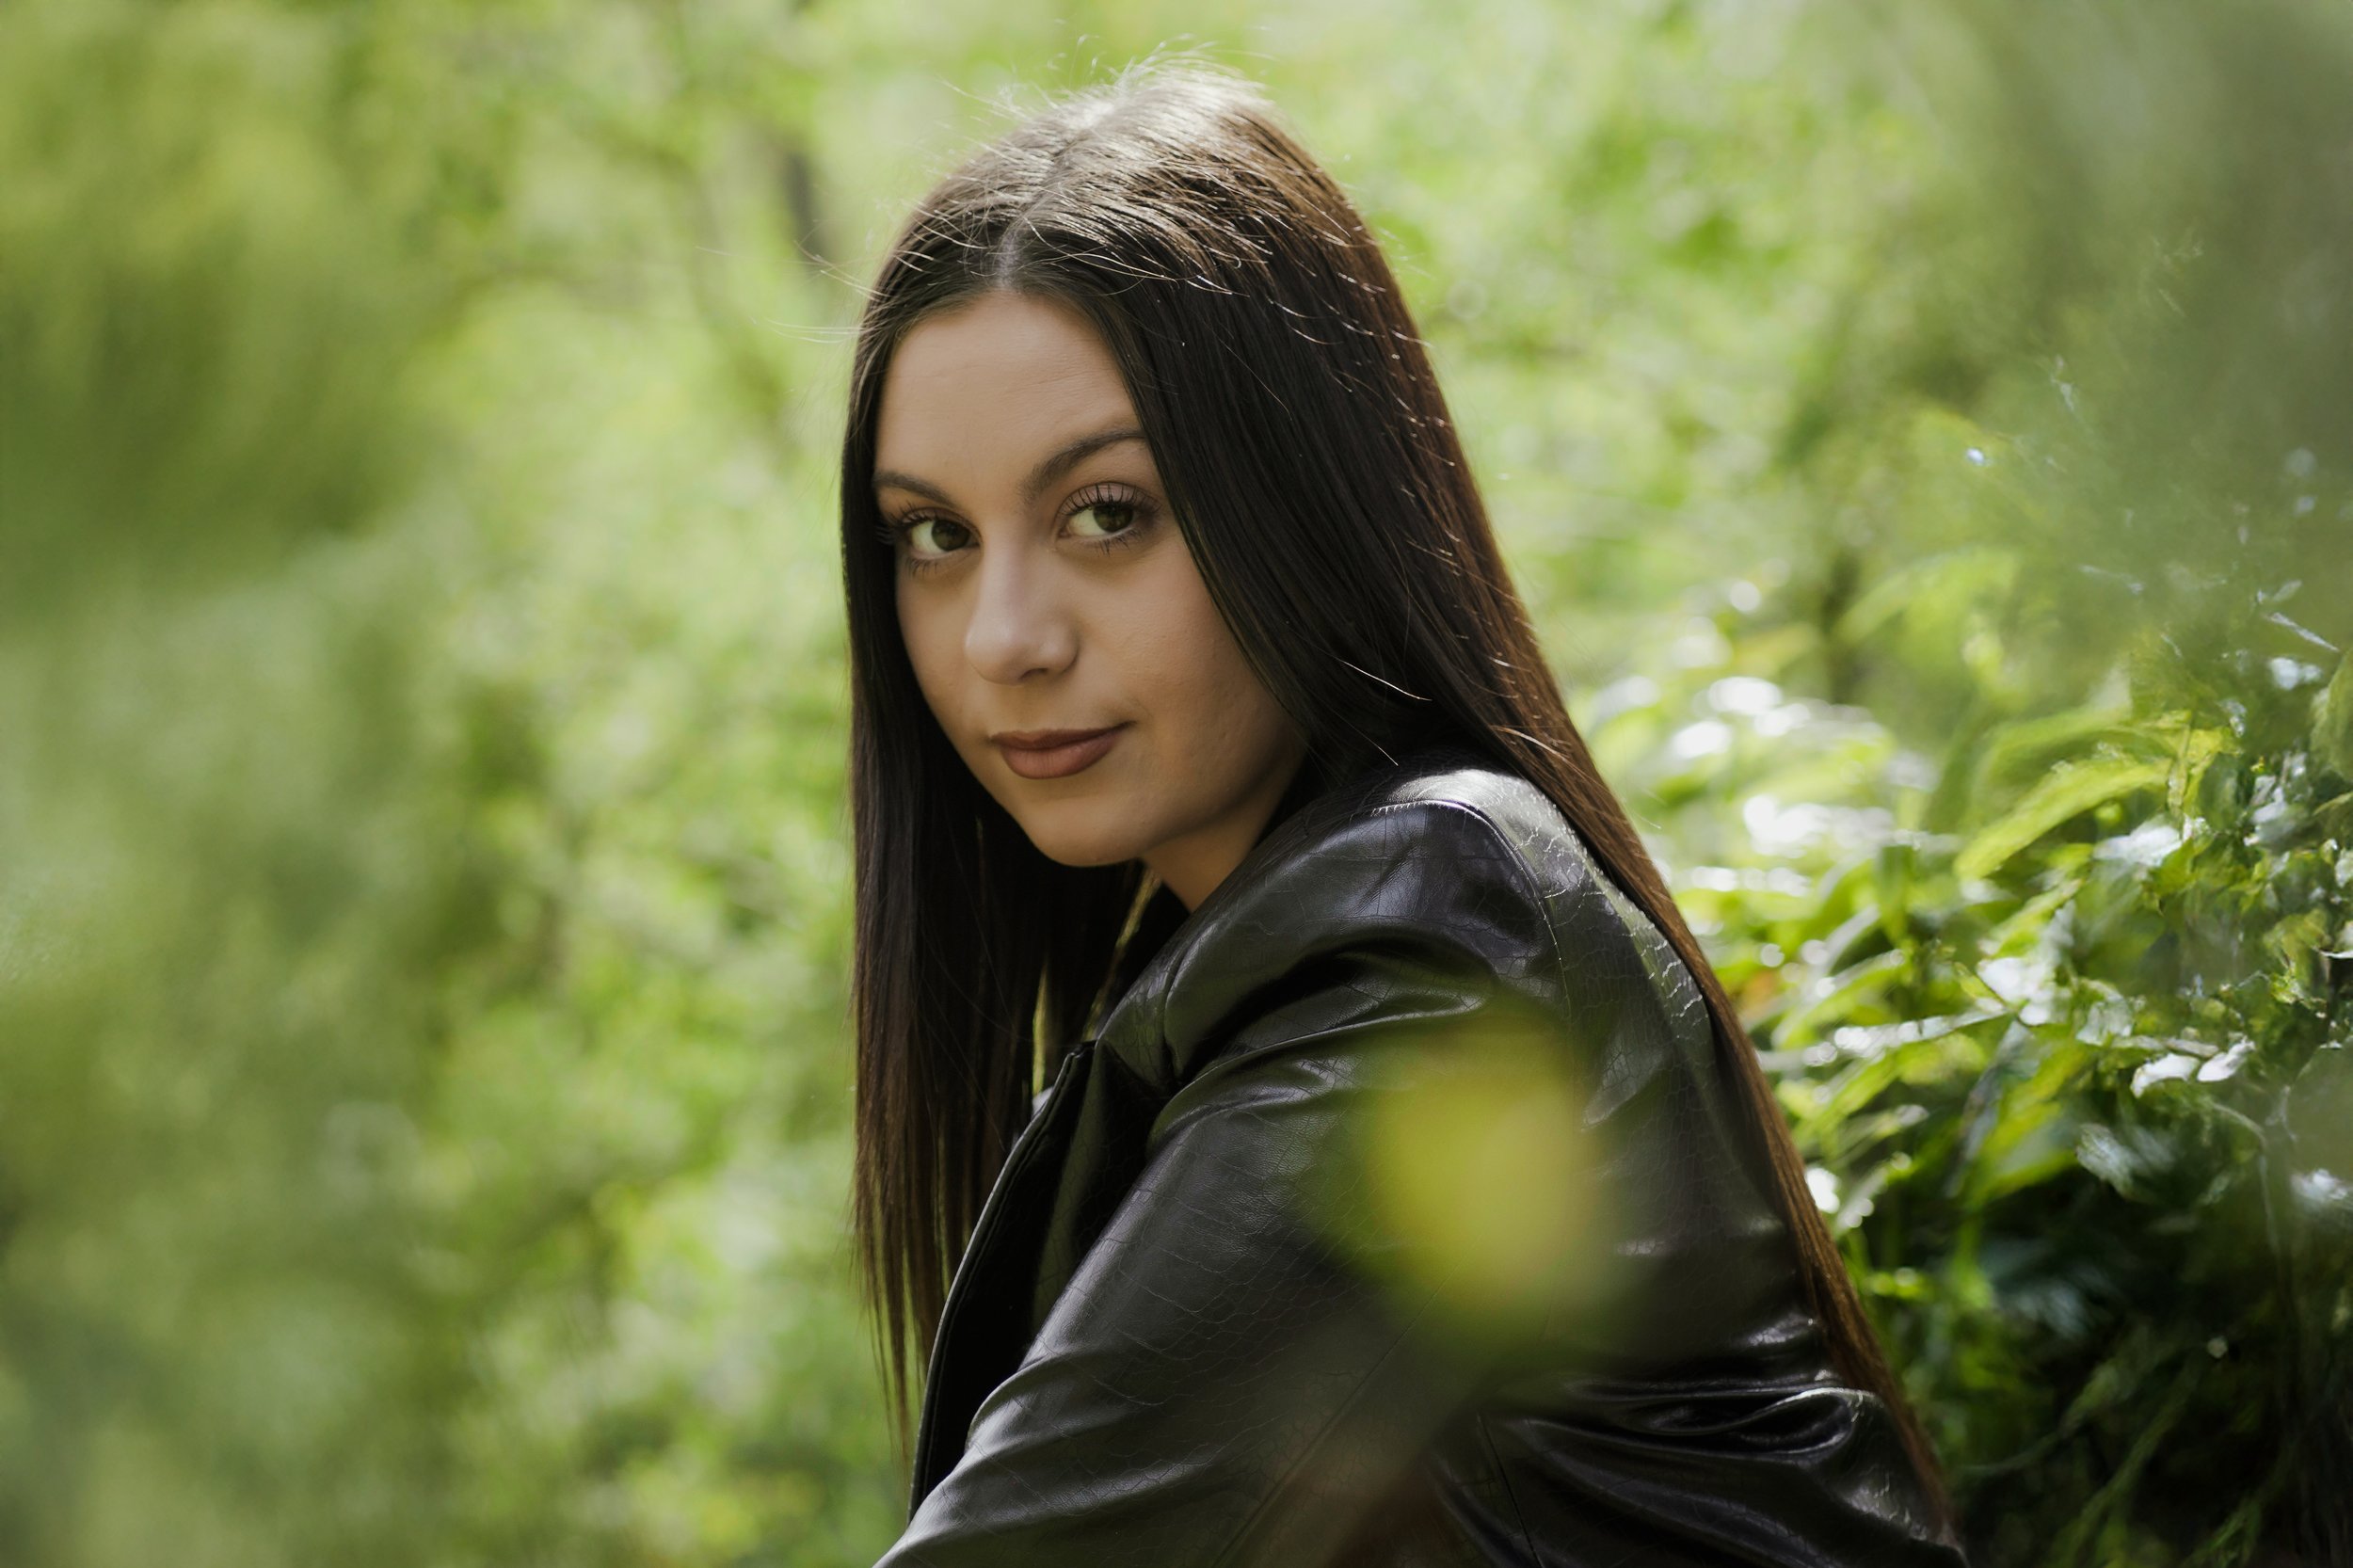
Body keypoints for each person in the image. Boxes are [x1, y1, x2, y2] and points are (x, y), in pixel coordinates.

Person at [836, 62, 1965, 1567]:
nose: (1002, 637)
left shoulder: (1427, 944)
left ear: (1301, 499)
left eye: (1108, 513)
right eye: (935, 536)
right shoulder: (1270, 956)